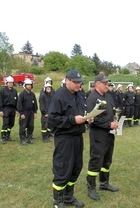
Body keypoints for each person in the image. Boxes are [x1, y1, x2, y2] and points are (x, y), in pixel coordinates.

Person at [48, 69, 89, 208]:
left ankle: (68, 196)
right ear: (67, 80)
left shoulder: (79, 95)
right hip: (64, 138)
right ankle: (58, 200)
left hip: (77, 137)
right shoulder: (59, 96)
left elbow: (80, 113)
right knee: (63, 168)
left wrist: (88, 118)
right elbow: (53, 119)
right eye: (76, 82)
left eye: (80, 82)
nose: (79, 85)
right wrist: (72, 120)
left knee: (76, 167)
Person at [85, 74, 119, 201]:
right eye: (104, 83)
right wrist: (108, 124)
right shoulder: (92, 98)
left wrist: (114, 123)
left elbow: (111, 113)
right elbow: (92, 118)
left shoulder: (108, 96)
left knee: (107, 159)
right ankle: (91, 187)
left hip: (109, 134)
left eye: (107, 83)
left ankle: (104, 183)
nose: (107, 85)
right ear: (97, 83)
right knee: (96, 160)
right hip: (98, 134)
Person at [0, 76, 18, 144]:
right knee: (5, 123)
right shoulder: (2, 91)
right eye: (9, 83)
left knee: (11, 123)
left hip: (13, 109)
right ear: (6, 83)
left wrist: (17, 110)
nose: (10, 84)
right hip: (5, 108)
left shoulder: (14, 91)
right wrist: (0, 110)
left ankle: (8, 135)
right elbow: (0, 100)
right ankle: (3, 137)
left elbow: (16, 101)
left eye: (11, 83)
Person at [17, 79, 38, 145]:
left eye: (30, 85)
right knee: (23, 126)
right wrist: (21, 113)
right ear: (25, 86)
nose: (29, 86)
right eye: (28, 85)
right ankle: (22, 139)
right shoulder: (22, 94)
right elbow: (19, 104)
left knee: (31, 126)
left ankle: (29, 138)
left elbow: (35, 104)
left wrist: (35, 112)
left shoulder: (32, 94)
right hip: (24, 113)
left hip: (31, 113)